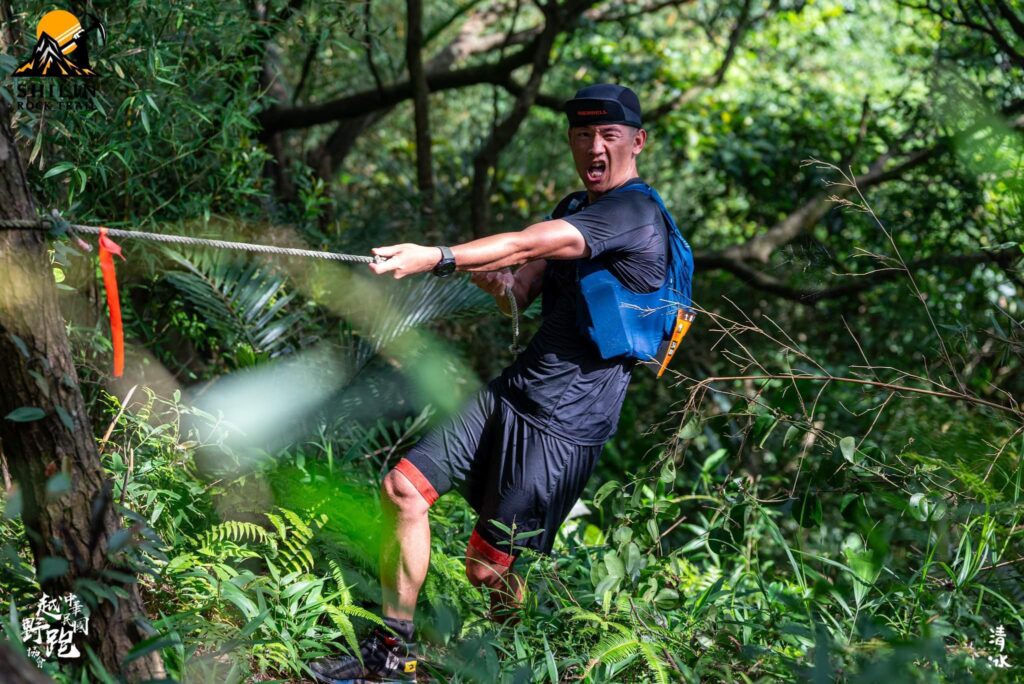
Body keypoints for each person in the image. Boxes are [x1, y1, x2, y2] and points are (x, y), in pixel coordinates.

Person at [309, 83, 673, 683]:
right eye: (583, 135)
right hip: (516, 391)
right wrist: (492, 276)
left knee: (489, 569)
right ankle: (390, 659)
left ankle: (517, 667)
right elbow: (520, 289)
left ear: (638, 142)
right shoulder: (575, 209)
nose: (595, 149)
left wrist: (437, 256)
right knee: (404, 488)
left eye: (609, 136)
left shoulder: (633, 213)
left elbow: (530, 241)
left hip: (567, 422)